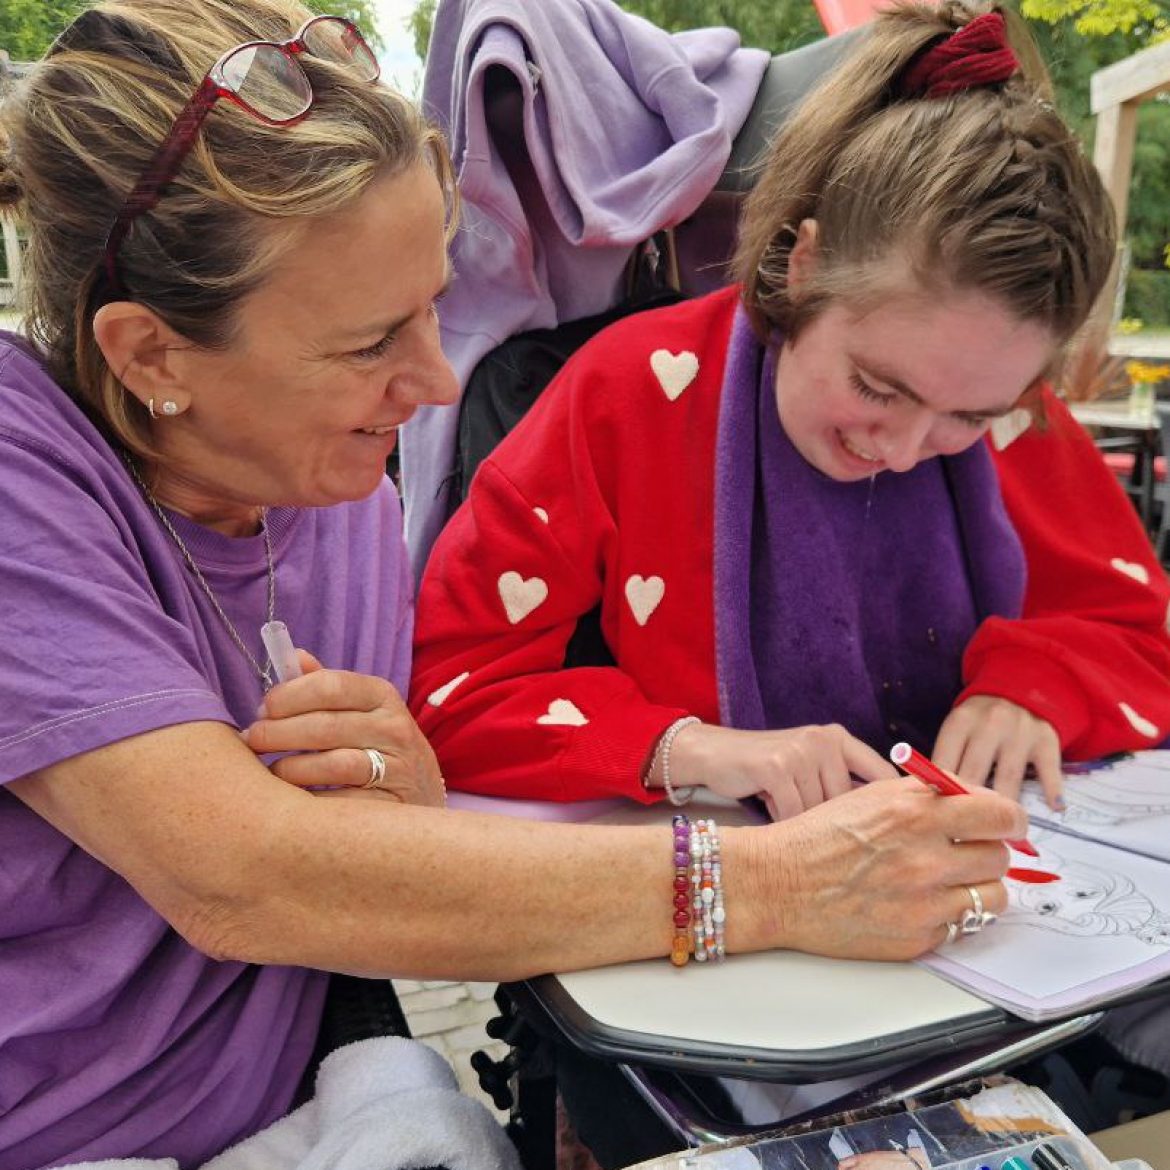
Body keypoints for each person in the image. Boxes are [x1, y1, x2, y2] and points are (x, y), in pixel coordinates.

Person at [0, 1, 1029, 1165]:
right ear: (150, 356)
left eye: (435, 305)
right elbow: (239, 878)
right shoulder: (21, 470)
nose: (439, 385)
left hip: (299, 1105)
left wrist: (406, 792)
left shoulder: (346, 499)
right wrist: (781, 883)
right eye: (370, 342)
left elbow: (358, 862)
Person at [409, 0, 1170, 823]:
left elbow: (1141, 635)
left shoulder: (1016, 407)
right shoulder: (625, 395)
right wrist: (686, 747)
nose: (909, 450)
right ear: (803, 266)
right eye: (880, 388)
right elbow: (451, 688)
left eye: (969, 421)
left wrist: (1036, 688)